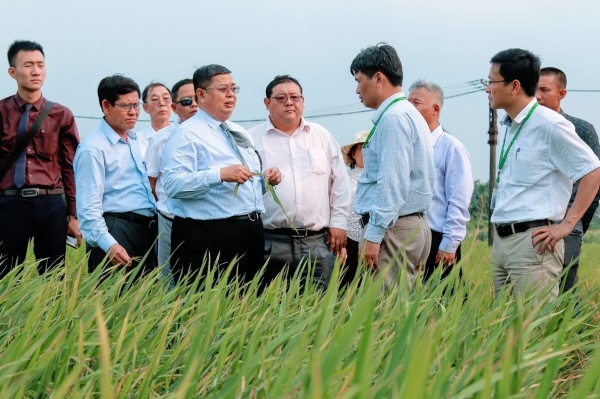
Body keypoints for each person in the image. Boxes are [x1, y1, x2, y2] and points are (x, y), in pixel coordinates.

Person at [486, 48, 600, 299]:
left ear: (514, 86)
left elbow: (593, 170)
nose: (487, 88)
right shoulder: (508, 126)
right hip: (503, 241)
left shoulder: (550, 124)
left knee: (531, 331)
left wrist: (568, 225)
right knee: (500, 331)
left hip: (533, 244)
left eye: (491, 82)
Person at [162, 64, 281, 286]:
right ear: (201, 94)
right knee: (207, 309)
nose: (230, 95)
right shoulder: (186, 134)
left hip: (249, 232)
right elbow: (172, 185)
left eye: (234, 89)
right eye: (223, 89)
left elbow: (243, 183)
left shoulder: (238, 131)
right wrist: (219, 174)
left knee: (246, 307)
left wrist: (265, 181)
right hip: (208, 236)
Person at [248, 75, 351, 289]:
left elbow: (340, 183)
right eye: (281, 97)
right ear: (267, 103)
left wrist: (339, 225)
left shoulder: (321, 136)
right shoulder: (251, 140)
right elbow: (241, 190)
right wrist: (262, 182)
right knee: (269, 308)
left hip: (318, 242)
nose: (289, 102)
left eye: (294, 97)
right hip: (270, 242)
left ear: (302, 102)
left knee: (320, 308)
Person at [349, 43, 435, 288]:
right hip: (408, 226)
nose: (357, 89)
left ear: (378, 78)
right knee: (401, 310)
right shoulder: (407, 113)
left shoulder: (394, 119)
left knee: (383, 315)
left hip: (393, 230)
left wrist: (374, 235)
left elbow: (392, 183)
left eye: (359, 80)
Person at [0, 40, 80, 277]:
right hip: (8, 204)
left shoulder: (61, 114)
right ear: (12, 72)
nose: (35, 71)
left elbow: (69, 168)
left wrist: (73, 215)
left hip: (51, 203)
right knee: (5, 277)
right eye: (28, 65)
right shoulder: (1, 112)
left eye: (40, 65)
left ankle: (52, 315)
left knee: (54, 276)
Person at [74, 74, 157, 280]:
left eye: (136, 105)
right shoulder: (93, 148)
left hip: (145, 229)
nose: (134, 112)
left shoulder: (134, 140)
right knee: (112, 304)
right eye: (126, 106)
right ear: (106, 106)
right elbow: (88, 206)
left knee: (146, 303)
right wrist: (109, 244)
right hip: (115, 230)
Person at [535, 67, 600, 293]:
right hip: (532, 225)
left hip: (566, 225)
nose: (538, 96)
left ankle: (574, 329)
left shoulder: (580, 129)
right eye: (534, 89)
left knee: (564, 291)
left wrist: (574, 223)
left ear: (561, 94)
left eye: (544, 90)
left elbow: (594, 183)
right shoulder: (526, 129)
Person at [407, 80, 474, 285]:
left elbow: (459, 199)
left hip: (438, 238)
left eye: (416, 103)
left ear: (436, 108)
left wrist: (450, 243)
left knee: (441, 301)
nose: (409, 108)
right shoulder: (407, 144)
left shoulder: (451, 147)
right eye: (407, 103)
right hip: (409, 237)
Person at [145, 78, 198, 286]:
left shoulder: (221, 134)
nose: (194, 105)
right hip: (171, 220)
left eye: (197, 99)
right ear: (175, 107)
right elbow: (151, 184)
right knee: (170, 281)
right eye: (187, 101)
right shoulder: (162, 138)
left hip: (209, 222)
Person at [339, 131, 368, 287]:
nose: (366, 152)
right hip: (348, 238)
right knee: (347, 282)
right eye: (362, 147)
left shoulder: (382, 177)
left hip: (373, 239)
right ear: (353, 153)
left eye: (370, 147)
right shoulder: (344, 179)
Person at [137, 82, 172, 157]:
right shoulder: (137, 140)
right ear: (145, 107)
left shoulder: (181, 135)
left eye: (166, 98)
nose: (162, 103)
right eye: (155, 99)